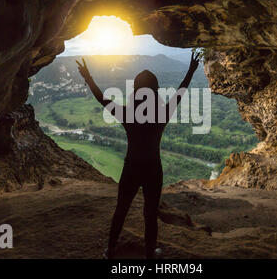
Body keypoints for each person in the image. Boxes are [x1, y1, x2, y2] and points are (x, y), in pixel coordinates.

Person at [76, 52, 200, 259]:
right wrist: (190, 71)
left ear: (134, 91)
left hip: (131, 167)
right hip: (153, 169)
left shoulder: (126, 113)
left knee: (121, 209)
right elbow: (180, 92)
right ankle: (150, 253)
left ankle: (111, 249)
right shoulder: (162, 113)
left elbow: (101, 98)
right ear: (156, 91)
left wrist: (88, 77)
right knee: (150, 214)